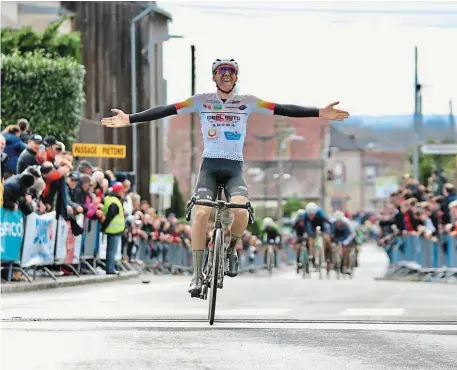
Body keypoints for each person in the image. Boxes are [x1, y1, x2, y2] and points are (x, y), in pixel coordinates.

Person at [101, 58, 350, 297]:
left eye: (231, 72)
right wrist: (130, 119)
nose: (226, 75)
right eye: (222, 72)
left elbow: (284, 109)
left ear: (236, 77)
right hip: (209, 167)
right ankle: (198, 274)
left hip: (234, 168)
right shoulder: (201, 101)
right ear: (214, 77)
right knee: (200, 214)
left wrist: (320, 113)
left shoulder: (248, 101)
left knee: (241, 212)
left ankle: (231, 249)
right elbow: (166, 110)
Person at [297, 202, 332, 268]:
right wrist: (306, 233)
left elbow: (327, 222)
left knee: (326, 239)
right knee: (310, 240)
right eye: (310, 215)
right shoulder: (305, 215)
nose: (311, 216)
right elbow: (305, 226)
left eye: (312, 215)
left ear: (315, 212)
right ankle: (312, 256)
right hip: (312, 226)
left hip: (322, 225)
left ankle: (327, 254)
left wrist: (327, 233)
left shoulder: (320, 213)